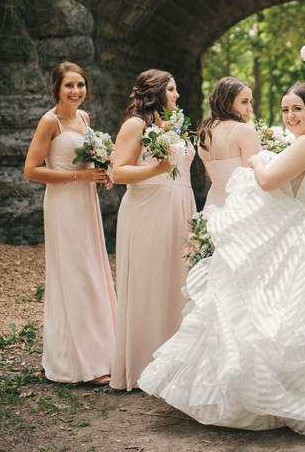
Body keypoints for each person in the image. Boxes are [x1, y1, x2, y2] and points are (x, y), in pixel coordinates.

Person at [138, 83, 305, 434]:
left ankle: (289, 394)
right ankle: (278, 387)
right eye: (284, 110)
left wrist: (259, 159)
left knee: (282, 317)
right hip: (292, 228)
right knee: (275, 315)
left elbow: (266, 182)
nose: (290, 116)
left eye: (296, 109)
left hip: (294, 233)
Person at [24, 61, 116, 384]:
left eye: (81, 85)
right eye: (69, 86)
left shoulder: (85, 118)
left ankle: (103, 352)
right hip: (63, 203)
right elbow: (31, 170)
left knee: (92, 272)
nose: (77, 91)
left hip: (86, 201)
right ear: (57, 89)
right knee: (73, 274)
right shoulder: (49, 122)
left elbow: (91, 159)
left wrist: (104, 172)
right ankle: (80, 363)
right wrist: (79, 175)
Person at [109, 70, 196, 391]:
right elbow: (118, 172)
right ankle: (144, 364)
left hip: (182, 209)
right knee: (149, 284)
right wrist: (158, 168)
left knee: (179, 281)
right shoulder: (135, 125)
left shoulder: (177, 126)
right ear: (156, 92)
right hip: (148, 211)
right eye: (171, 89)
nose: (176, 95)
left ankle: (176, 364)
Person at [197, 77, 260, 209]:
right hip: (239, 205)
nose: (250, 109)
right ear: (224, 103)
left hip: (212, 204)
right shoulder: (244, 131)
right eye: (244, 102)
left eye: (250, 102)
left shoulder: (204, 133)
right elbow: (252, 180)